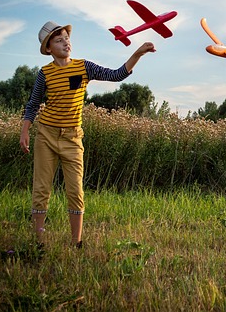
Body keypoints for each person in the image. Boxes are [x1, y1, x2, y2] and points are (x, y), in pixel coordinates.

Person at [20, 21, 155, 248]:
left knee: (75, 190)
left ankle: (77, 243)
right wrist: (25, 131)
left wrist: (138, 53)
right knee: (41, 189)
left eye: (66, 38)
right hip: (46, 136)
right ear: (49, 48)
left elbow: (116, 75)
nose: (66, 42)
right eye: (59, 40)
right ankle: (39, 243)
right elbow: (33, 103)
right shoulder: (45, 73)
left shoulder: (84, 67)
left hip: (73, 138)